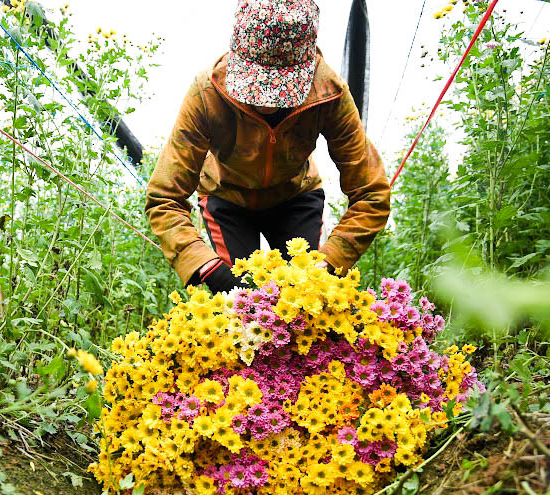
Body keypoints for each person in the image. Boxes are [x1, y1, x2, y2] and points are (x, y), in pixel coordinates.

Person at [145, 0, 390, 294]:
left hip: (296, 195)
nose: (267, 102)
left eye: (281, 90)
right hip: (227, 197)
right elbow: (164, 197)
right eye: (256, 86)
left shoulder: (329, 94)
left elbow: (372, 194)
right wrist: (204, 265)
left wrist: (330, 261)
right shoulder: (207, 93)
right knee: (241, 303)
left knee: (305, 300)